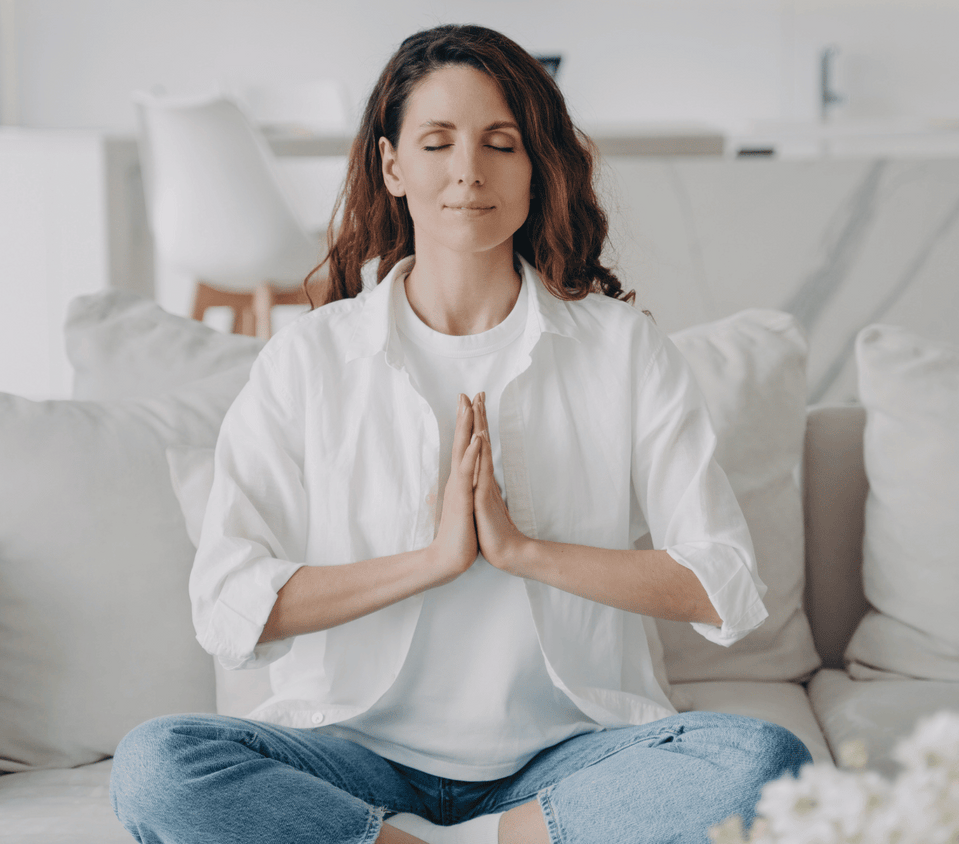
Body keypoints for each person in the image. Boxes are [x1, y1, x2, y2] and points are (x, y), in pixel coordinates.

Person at [110, 23, 809, 844]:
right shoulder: (310, 356)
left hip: (569, 758)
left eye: (500, 143)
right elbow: (228, 604)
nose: (469, 171)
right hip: (353, 754)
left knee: (767, 761)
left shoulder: (621, 349)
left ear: (537, 165)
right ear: (392, 166)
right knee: (157, 765)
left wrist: (523, 552)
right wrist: (431, 563)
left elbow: (722, 584)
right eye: (437, 142)